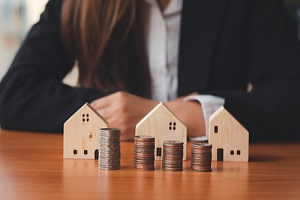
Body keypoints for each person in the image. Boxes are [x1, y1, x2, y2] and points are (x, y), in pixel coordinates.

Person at [0, 0, 300, 141]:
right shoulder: (76, 4)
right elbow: (13, 94)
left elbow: (291, 98)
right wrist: (110, 113)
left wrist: (188, 115)